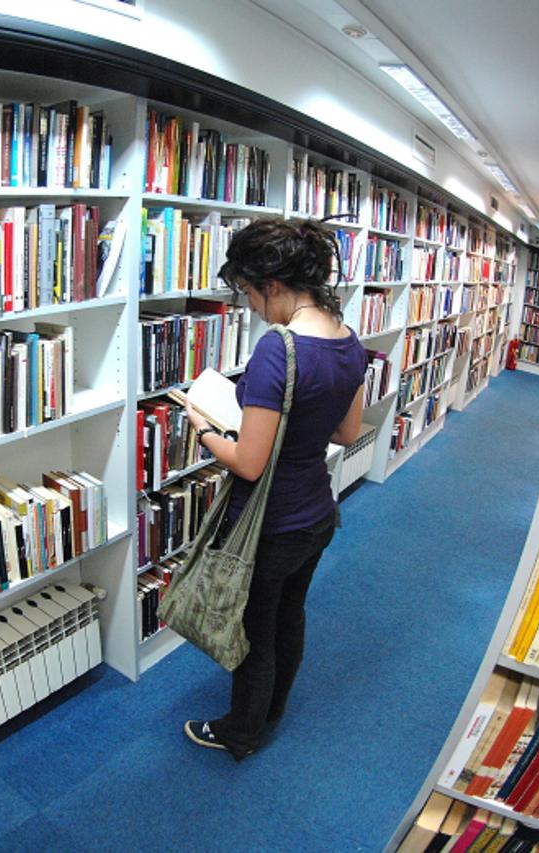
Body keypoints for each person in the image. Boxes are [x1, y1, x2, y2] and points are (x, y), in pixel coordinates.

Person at [182, 217, 367, 760]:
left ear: (274, 285)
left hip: (270, 525)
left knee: (254, 632)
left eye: (248, 293)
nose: (252, 308)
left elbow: (249, 463)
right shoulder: (347, 339)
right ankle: (273, 709)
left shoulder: (277, 350)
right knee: (290, 615)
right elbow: (347, 432)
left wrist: (204, 428)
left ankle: (242, 731)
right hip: (316, 514)